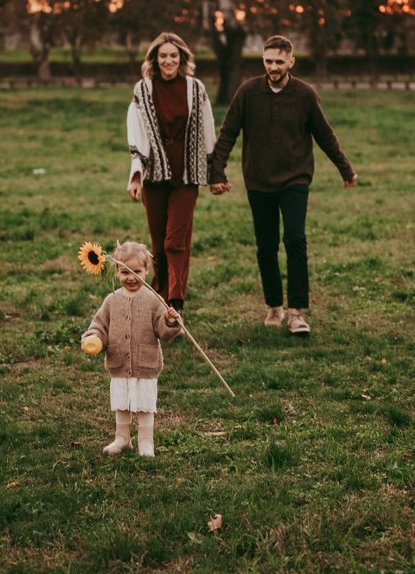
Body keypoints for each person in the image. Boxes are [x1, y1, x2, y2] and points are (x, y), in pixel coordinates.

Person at [209, 34, 357, 334]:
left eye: (279, 61)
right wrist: (217, 172)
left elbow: (324, 135)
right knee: (265, 246)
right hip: (259, 181)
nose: (273, 67)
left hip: (295, 179)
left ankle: (296, 312)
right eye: (268, 61)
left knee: (295, 240)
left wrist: (346, 170)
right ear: (262, 61)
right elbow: (228, 133)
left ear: (291, 61)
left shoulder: (304, 94)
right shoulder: (248, 92)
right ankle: (274, 305)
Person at [126, 32, 216, 316]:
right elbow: (136, 132)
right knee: (158, 243)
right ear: (155, 59)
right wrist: (137, 174)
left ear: (182, 59)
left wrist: (215, 171)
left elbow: (208, 128)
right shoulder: (142, 90)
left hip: (186, 174)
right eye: (163, 56)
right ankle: (158, 297)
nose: (168, 61)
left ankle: (176, 301)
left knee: (175, 241)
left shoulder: (195, 88)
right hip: (155, 175)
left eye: (173, 56)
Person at [81, 240, 182, 457]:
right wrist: (94, 337)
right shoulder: (112, 300)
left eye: (136, 271)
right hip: (118, 363)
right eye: (124, 271)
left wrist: (170, 322)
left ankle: (146, 442)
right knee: (122, 403)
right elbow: (99, 325)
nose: (131, 277)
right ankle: (122, 438)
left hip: (145, 365)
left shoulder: (154, 300)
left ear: (146, 271)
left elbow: (163, 332)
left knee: (145, 405)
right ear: (116, 271)